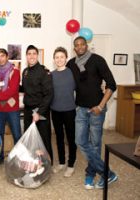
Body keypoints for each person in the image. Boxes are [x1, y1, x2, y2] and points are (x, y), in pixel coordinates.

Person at [66, 36, 118, 189]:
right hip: (80, 109)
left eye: (82, 44)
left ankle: (90, 173)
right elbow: (63, 77)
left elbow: (111, 85)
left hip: (97, 109)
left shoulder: (98, 60)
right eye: (77, 45)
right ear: (74, 48)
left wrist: (101, 106)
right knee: (80, 141)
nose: (80, 47)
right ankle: (108, 173)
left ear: (86, 45)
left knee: (95, 144)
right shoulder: (71, 64)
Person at [21, 45, 54, 163]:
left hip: (41, 110)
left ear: (37, 55)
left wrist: (39, 112)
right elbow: (25, 89)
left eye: (34, 53)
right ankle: (32, 163)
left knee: (44, 139)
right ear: (26, 56)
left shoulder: (44, 72)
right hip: (28, 110)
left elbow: (49, 94)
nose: (31, 56)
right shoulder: (25, 71)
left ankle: (47, 165)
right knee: (29, 138)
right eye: (29, 54)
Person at [50, 47, 77, 177]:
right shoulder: (51, 75)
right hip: (55, 111)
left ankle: (71, 164)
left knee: (71, 138)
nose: (59, 59)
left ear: (66, 58)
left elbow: (81, 88)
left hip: (69, 111)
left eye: (62, 57)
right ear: (54, 60)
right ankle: (61, 162)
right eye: (57, 57)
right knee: (59, 138)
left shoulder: (72, 73)